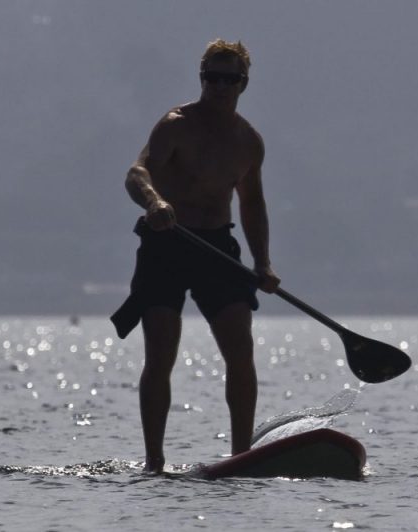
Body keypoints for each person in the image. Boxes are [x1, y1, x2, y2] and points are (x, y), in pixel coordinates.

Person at [110, 39, 281, 473]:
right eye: (212, 78)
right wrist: (153, 203)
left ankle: (242, 456)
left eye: (230, 79)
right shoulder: (175, 125)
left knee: (240, 349)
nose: (220, 87)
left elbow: (252, 205)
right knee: (162, 352)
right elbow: (136, 172)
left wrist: (262, 263)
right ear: (201, 76)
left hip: (217, 248)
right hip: (166, 244)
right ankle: (154, 462)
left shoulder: (248, 141)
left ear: (244, 83)